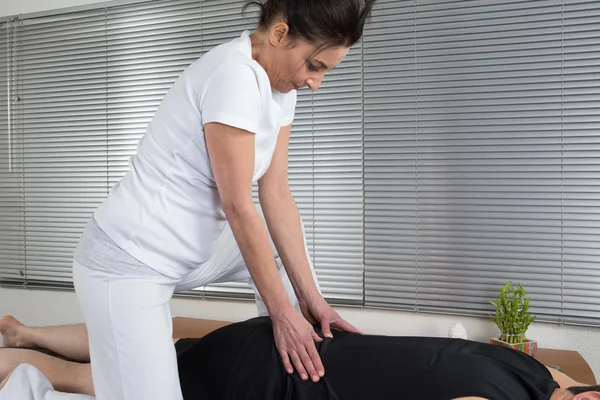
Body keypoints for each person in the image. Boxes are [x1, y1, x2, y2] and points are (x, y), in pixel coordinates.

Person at [71, 1, 375, 399]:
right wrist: (282, 312)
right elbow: (237, 205)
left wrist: (312, 301)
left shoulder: (281, 85)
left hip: (194, 249)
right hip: (130, 261)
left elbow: (276, 192)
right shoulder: (234, 75)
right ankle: (24, 386)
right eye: (315, 67)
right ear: (280, 35)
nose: (316, 83)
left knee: (283, 259)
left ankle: (301, 371)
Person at [1, 315, 599, 400]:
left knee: (156, 347)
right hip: (270, 379)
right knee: (121, 381)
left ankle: (22, 330)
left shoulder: (545, 373)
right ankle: (30, 364)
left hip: (278, 341)